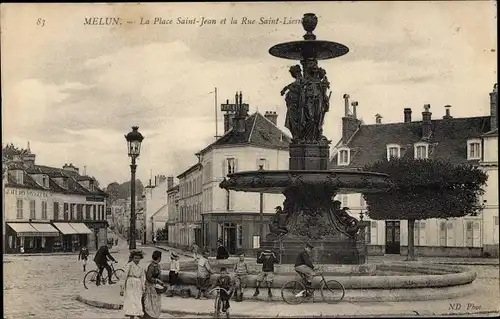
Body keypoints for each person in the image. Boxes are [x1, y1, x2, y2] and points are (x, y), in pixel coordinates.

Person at [122, 250, 146, 319]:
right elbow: (124, 277)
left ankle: (136, 314)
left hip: (138, 284)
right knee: (131, 299)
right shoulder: (129, 265)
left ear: (140, 258)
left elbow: (142, 278)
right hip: (130, 283)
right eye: (135, 258)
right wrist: (122, 287)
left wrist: (143, 287)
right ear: (132, 258)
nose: (136, 260)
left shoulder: (141, 267)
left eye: (138, 258)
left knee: (137, 299)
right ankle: (131, 316)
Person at [143, 250, 165, 319]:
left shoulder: (156, 265)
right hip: (151, 287)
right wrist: (157, 280)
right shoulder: (151, 266)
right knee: (151, 303)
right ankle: (150, 316)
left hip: (155, 286)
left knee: (155, 302)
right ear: (159, 258)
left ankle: (154, 315)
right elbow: (149, 278)